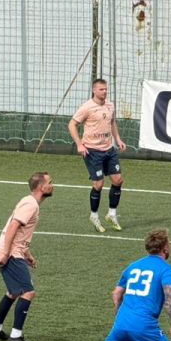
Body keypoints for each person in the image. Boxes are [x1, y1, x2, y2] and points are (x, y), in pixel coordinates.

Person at [0, 172, 53, 341]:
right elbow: (13, 227)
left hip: (13, 251)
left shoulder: (30, 203)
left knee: (13, 292)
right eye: (50, 182)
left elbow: (20, 234)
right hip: (10, 252)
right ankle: (16, 336)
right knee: (28, 292)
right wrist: (6, 253)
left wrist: (27, 254)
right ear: (41, 187)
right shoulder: (30, 204)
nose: (52, 185)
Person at [69, 78, 126, 233]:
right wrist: (79, 144)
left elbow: (112, 122)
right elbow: (72, 124)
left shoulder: (110, 105)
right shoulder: (87, 107)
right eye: (101, 89)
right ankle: (94, 216)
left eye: (106, 89)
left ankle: (112, 214)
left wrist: (118, 139)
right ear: (94, 90)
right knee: (98, 185)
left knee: (118, 180)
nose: (105, 91)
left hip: (109, 149)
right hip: (92, 151)